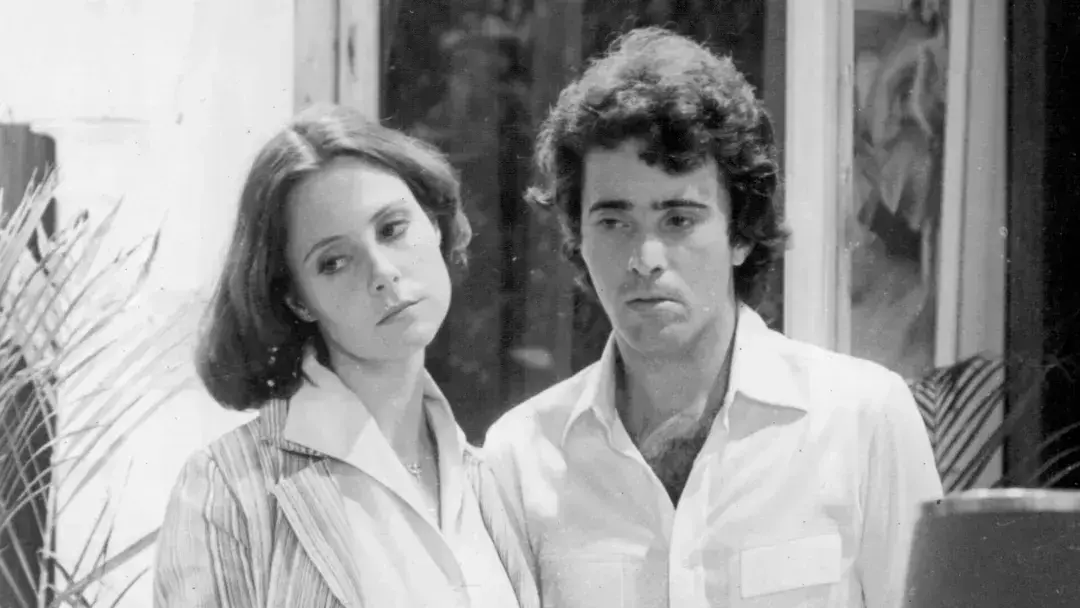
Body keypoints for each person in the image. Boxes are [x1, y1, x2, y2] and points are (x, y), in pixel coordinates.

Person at [482, 27, 943, 608]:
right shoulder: (522, 456)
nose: (645, 258)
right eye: (614, 222)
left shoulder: (861, 419)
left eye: (678, 219)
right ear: (578, 237)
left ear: (741, 233)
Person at [153, 104, 538, 608]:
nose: (382, 272)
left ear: (434, 224)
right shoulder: (226, 486)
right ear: (297, 299)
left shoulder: (490, 480)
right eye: (334, 262)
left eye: (392, 229)